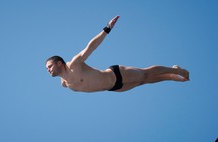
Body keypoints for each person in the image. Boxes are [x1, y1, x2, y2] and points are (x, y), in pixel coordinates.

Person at [45, 16, 189, 92]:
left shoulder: (74, 64)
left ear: (59, 63)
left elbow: (91, 47)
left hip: (117, 74)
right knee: (144, 81)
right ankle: (172, 77)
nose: (48, 70)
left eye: (50, 66)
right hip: (114, 88)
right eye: (47, 69)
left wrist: (107, 28)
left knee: (146, 73)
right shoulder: (65, 84)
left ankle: (176, 70)